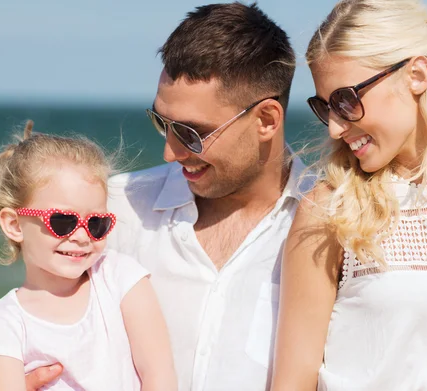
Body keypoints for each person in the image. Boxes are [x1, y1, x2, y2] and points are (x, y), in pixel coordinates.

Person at [22, 3, 311, 391]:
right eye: (163, 123)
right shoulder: (112, 212)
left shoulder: (336, 221)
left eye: (192, 133)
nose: (170, 153)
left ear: (266, 120)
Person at [271, 0, 427, 390]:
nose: (335, 128)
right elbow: (293, 381)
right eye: (325, 107)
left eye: (346, 101)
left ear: (416, 75)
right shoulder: (329, 208)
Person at [0, 121, 177, 391]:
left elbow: (159, 375)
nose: (81, 236)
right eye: (63, 221)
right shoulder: (1, 322)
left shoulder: (120, 279)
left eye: (96, 223)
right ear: (14, 225)